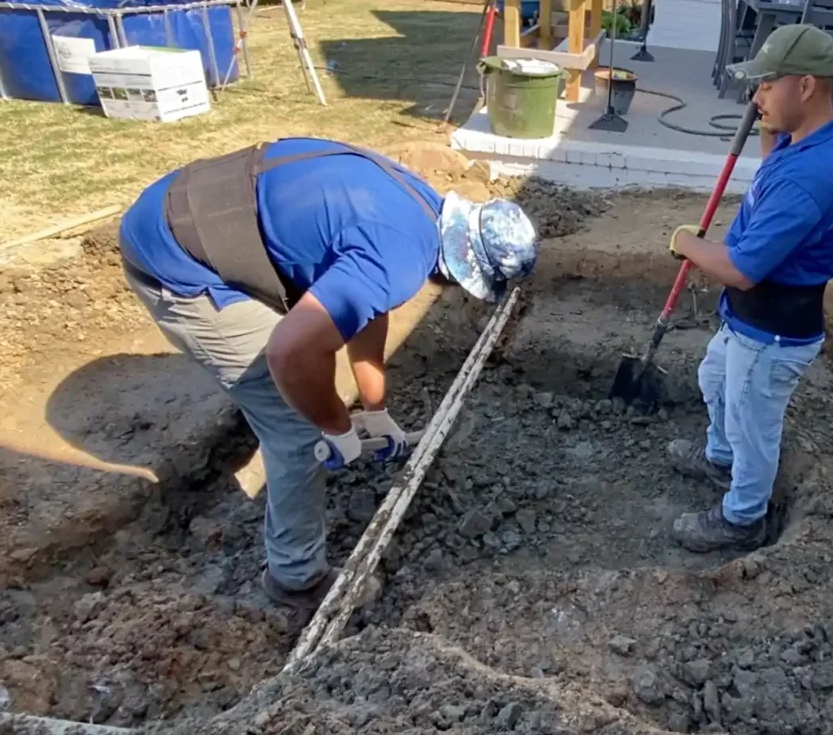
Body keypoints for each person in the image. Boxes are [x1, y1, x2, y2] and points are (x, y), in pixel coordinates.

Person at [117, 137, 538, 607]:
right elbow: (288, 354)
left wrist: (374, 408)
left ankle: (318, 438)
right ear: (467, 271)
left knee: (312, 358)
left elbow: (367, 311)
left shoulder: (421, 206)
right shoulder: (398, 260)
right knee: (296, 431)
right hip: (175, 261)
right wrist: (335, 427)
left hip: (187, 204)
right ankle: (296, 578)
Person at [665, 24, 833, 552]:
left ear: (807, 85)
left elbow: (743, 269)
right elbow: (778, 164)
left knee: (753, 423)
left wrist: (686, 242)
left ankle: (741, 516)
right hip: (750, 320)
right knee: (715, 380)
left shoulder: (811, 177)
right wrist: (769, 128)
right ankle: (718, 458)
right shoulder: (815, 139)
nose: (757, 97)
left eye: (768, 85)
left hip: (772, 330)